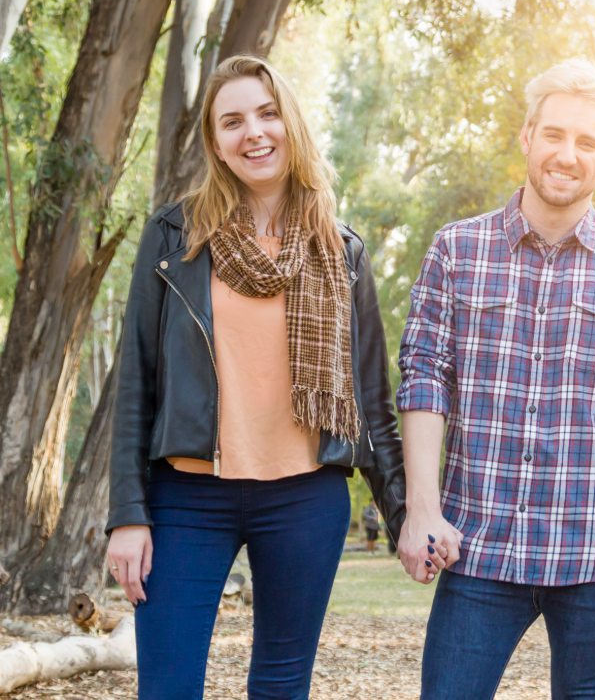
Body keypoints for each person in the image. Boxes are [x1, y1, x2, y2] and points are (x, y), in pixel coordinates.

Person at [396, 59, 595, 700]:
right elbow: (425, 377)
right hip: (479, 545)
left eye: (588, 141)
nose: (568, 155)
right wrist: (421, 509)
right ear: (527, 137)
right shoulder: (456, 249)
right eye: (555, 135)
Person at [104, 55, 406, 700]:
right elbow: (136, 384)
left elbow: (371, 402)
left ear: (290, 123)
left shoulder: (341, 250)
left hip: (306, 498)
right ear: (216, 143)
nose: (255, 133)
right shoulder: (174, 236)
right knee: (166, 689)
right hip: (186, 498)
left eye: (268, 114)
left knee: (280, 688)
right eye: (233, 121)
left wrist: (405, 517)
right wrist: (127, 515)